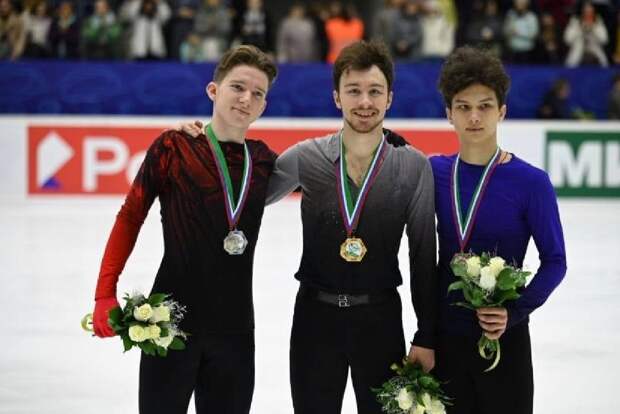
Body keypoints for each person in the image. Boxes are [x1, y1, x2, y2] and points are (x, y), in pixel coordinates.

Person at [90, 44, 278, 414]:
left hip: (235, 333)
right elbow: (130, 217)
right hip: (168, 324)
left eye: (258, 94)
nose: (246, 98)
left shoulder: (263, 160)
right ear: (213, 90)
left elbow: (332, 170)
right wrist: (103, 293)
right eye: (237, 87)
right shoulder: (173, 147)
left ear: (263, 106)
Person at [267, 40, 437, 414]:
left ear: (389, 98)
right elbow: (248, 196)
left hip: (380, 321)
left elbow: (424, 256)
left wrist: (427, 334)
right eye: (353, 91)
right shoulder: (307, 157)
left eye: (375, 91)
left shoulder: (412, 166)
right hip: (315, 319)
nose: (364, 101)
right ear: (336, 97)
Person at [431, 46, 567, 414]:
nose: (474, 116)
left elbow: (555, 261)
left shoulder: (531, 182)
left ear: (502, 111)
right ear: (449, 113)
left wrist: (515, 312)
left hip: (505, 341)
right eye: (463, 106)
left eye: (485, 106)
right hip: (445, 341)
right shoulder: (433, 173)